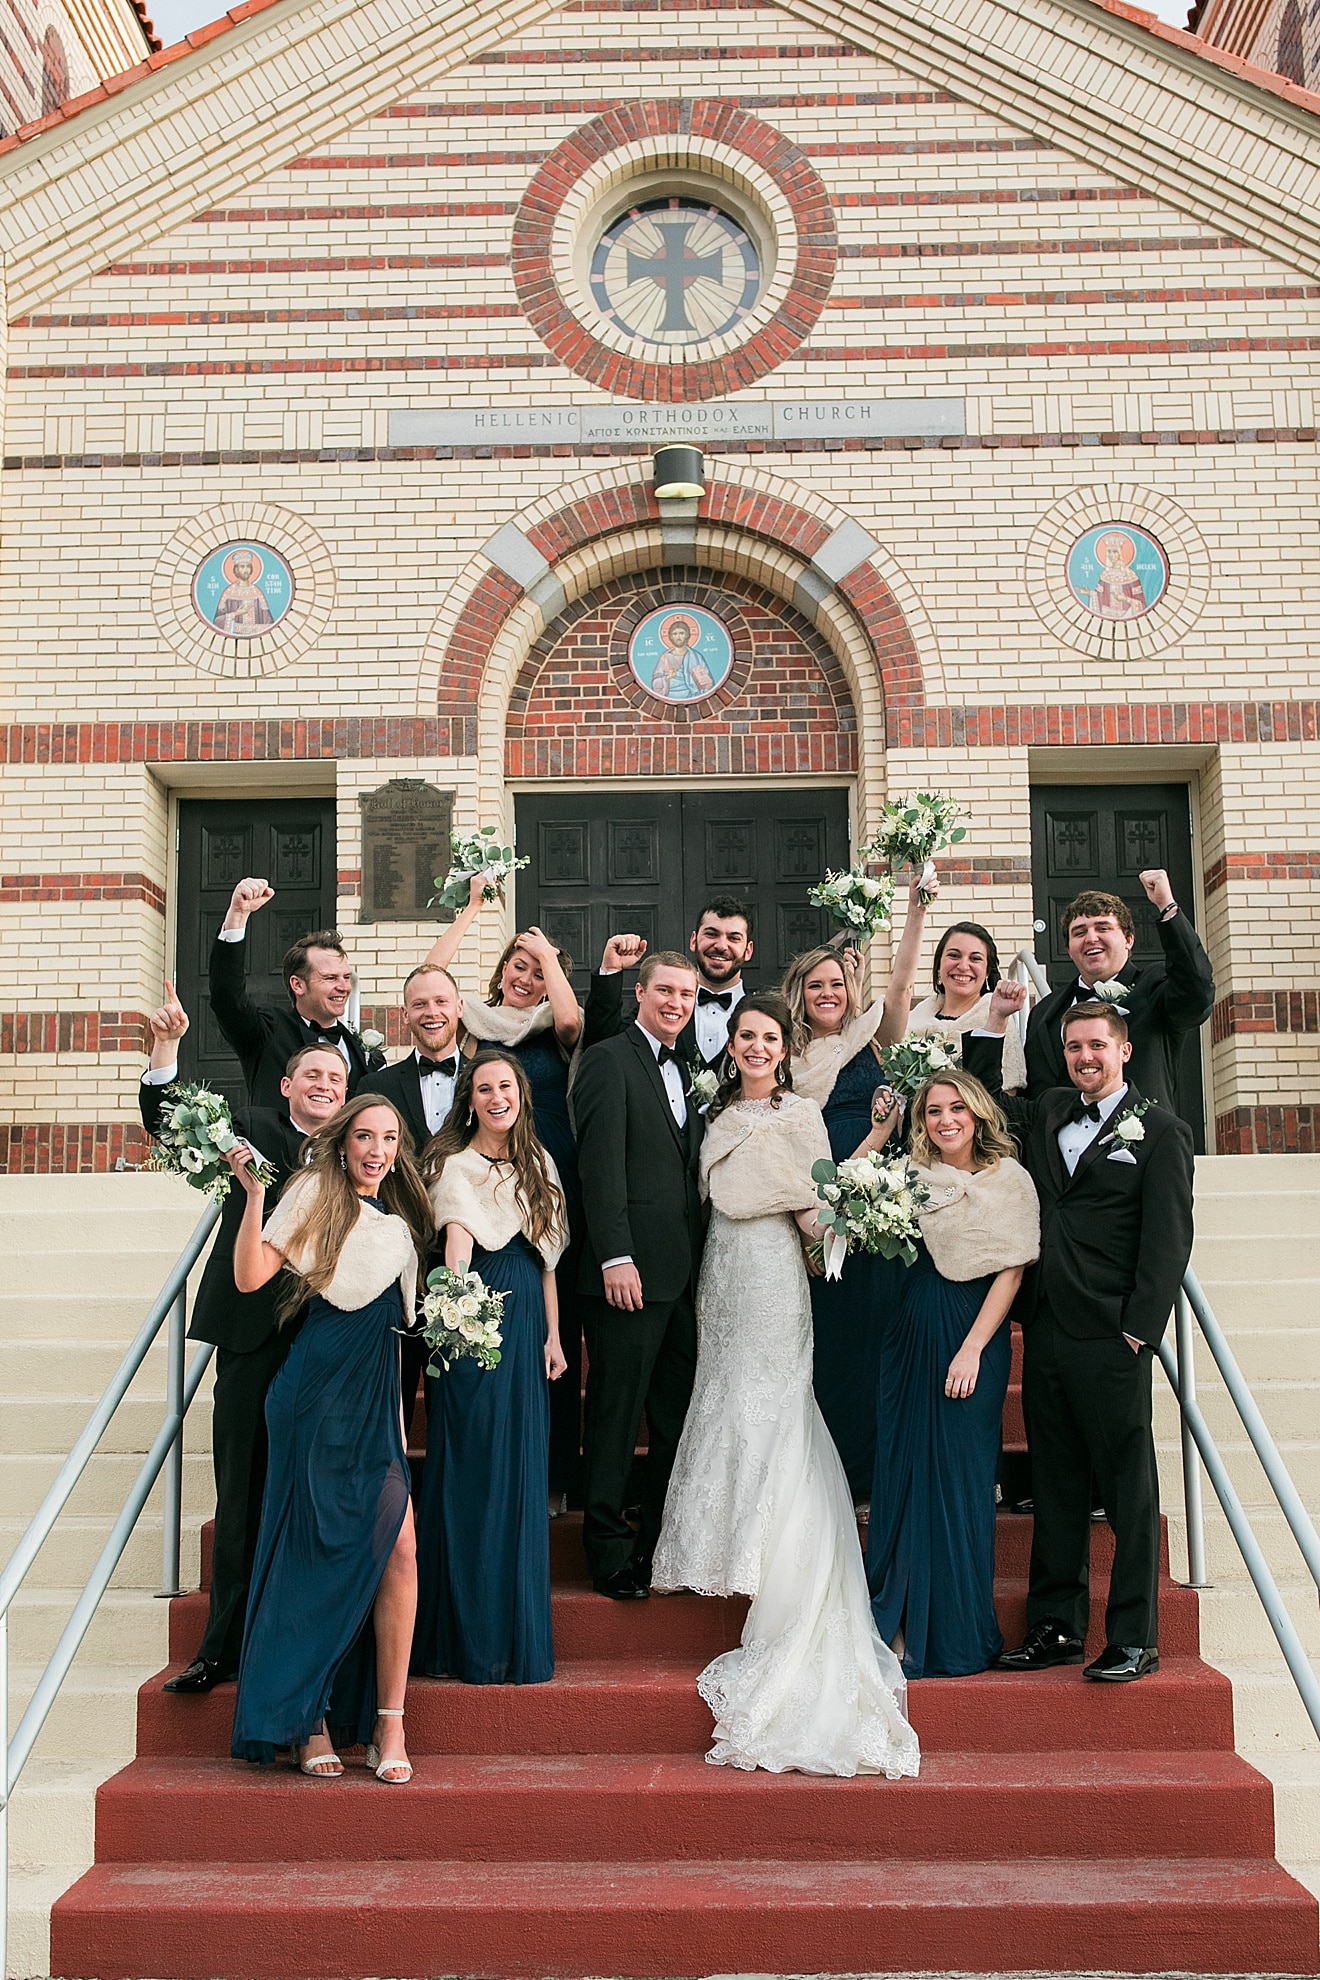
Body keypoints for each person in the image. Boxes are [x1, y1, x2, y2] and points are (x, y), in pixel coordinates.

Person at [652, 993, 919, 1779]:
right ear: (732, 1045)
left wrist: (870, 1146)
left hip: (772, 1270)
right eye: (747, 1036)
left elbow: (816, 1207)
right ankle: (725, 1539)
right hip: (721, 1271)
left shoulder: (803, 1117)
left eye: (770, 1037)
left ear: (783, 1046)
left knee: (771, 1399)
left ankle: (773, 1550)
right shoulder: (716, 1116)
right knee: (724, 1396)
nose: (758, 1046)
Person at [965, 985, 1195, 1682]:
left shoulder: (1160, 1132)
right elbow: (980, 1101)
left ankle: (1134, 1637)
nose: (1085, 1056)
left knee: (1128, 1491)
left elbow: (1168, 1243)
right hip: (1048, 1329)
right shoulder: (1051, 1112)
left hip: (1111, 1336)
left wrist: (1139, 1333)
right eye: (1074, 1046)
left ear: (1124, 1051)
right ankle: (1056, 1627)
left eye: (1098, 1045)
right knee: (1058, 1484)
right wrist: (995, 1020)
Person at [139, 986, 348, 1694]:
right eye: (312, 1076)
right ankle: (221, 1647)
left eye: (335, 1079)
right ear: (286, 1083)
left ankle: (308, 1647)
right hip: (253, 1336)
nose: (324, 1086)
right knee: (241, 1491)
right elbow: (174, 1128)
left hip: (329, 1342)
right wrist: (166, 1051)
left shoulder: (362, 1150)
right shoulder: (254, 1125)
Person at [227, 1095, 432, 1778]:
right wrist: (255, 1194)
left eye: (389, 1139)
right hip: (312, 1395)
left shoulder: (400, 1226)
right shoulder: (315, 1191)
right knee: (309, 1550)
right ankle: (307, 1719)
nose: (377, 1150)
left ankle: (389, 1727)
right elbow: (253, 1273)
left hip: (374, 1401)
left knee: (399, 1547)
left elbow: (395, 1343)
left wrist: (399, 1436)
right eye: (365, 1137)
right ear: (343, 1143)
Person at [421, 880, 632, 1510]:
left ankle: (554, 1473)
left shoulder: (556, 1026)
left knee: (551, 1320)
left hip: (546, 1175)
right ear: (500, 971)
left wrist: (546, 956)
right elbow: (431, 974)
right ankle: (488, 1461)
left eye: (537, 972)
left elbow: (572, 1018)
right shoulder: (474, 1024)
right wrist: (474, 911)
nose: (526, 978)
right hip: (480, 1180)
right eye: (517, 965)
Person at [866, 1070, 1040, 1678]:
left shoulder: (1010, 1180)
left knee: (964, 1480)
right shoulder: (908, 1179)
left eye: (956, 1108)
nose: (945, 1119)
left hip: (976, 1336)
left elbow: (1012, 1271)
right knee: (907, 1472)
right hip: (913, 1333)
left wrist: (970, 1351)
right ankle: (901, 1621)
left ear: (978, 1114)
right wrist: (877, 1133)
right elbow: (839, 1203)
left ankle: (960, 1631)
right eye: (934, 1110)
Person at [412, 1052, 568, 1684]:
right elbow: (457, 1245)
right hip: (480, 1317)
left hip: (530, 1314)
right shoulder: (457, 1166)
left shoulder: (540, 1165)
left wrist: (555, 1337)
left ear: (520, 1095)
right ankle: (466, 1637)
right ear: (469, 1100)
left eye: (506, 1086)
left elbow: (549, 1260)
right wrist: (454, 1321)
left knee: (521, 1468)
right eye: (484, 1088)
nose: (497, 1096)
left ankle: (515, 1634)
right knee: (475, 1467)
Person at [781, 872, 935, 1500]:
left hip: (882, 1209)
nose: (827, 993)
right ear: (799, 995)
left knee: (882, 1343)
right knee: (834, 1349)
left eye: (836, 984)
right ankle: (834, 1482)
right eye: (814, 985)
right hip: (821, 1213)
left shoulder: (874, 1040)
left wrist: (915, 910)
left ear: (850, 991)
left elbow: (900, 985)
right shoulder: (786, 1059)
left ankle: (880, 1481)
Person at [574, 951, 705, 1600]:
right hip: (626, 1275)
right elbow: (598, 1169)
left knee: (676, 1419)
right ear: (641, 992)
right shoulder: (608, 1058)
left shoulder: (690, 1067)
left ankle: (662, 1544)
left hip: (681, 1278)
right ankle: (607, 1551)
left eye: (687, 993)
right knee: (617, 1417)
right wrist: (613, 1256)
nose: (677, 1002)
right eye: (666, 991)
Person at [358, 962, 465, 1435]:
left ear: (460, 1007)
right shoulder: (376, 1088)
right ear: (405, 1014)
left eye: (441, 1001)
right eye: (419, 1004)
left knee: (462, 1406)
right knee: (390, 1402)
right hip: (395, 1264)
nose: (432, 1012)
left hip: (472, 1264)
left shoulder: (492, 1083)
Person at [1024, 873, 1213, 1115]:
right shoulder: (1043, 1012)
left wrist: (1167, 907)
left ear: (1128, 940)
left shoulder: (1153, 987)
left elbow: (1197, 993)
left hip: (1140, 1145)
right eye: (1079, 932)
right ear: (1069, 949)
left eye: (1103, 928)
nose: (1091, 938)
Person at [209, 876, 385, 1111]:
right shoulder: (267, 1032)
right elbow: (227, 997)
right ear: (298, 985)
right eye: (330, 978)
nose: (343, 987)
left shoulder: (358, 1048)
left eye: (345, 977)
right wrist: (237, 916)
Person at [905, 920, 1029, 1093]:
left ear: (987, 971)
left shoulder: (997, 1020)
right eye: (954, 956)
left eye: (975, 958)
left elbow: (1007, 1095)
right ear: (939, 964)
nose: (963, 966)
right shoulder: (912, 1021)